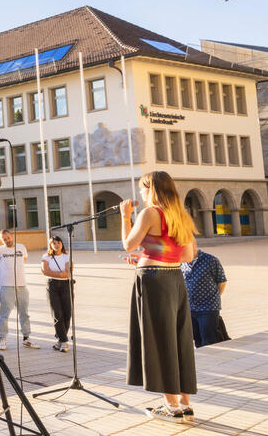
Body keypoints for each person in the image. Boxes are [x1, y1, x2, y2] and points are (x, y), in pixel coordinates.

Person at [121, 171, 198, 422]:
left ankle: (171, 406)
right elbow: (186, 256)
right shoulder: (181, 214)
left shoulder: (150, 213)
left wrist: (125, 217)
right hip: (175, 279)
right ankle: (184, 404)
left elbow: (128, 244)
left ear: (151, 189)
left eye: (143, 189)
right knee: (179, 338)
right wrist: (152, 253)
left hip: (153, 281)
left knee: (159, 338)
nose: (141, 194)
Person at [0, 229, 39, 350]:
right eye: (4, 239)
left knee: (24, 313)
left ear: (12, 236)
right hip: (6, 286)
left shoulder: (21, 247)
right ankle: (2, 338)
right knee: (4, 314)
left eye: (8, 238)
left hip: (22, 286)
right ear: (1, 240)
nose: (7, 240)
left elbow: (23, 260)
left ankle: (26, 338)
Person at [181, 249, 227, 348]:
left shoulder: (210, 260)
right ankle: (205, 361)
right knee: (197, 340)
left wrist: (214, 298)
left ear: (193, 245)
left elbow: (222, 281)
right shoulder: (182, 261)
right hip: (190, 309)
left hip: (208, 308)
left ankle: (214, 361)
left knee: (209, 340)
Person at [41, 235, 73, 352]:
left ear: (62, 244)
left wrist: (53, 272)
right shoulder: (46, 257)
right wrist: (60, 273)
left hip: (65, 286)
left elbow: (67, 274)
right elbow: (45, 272)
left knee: (67, 314)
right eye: (54, 243)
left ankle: (60, 340)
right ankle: (65, 342)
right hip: (52, 286)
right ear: (50, 245)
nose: (56, 245)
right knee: (57, 314)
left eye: (58, 243)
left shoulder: (67, 256)